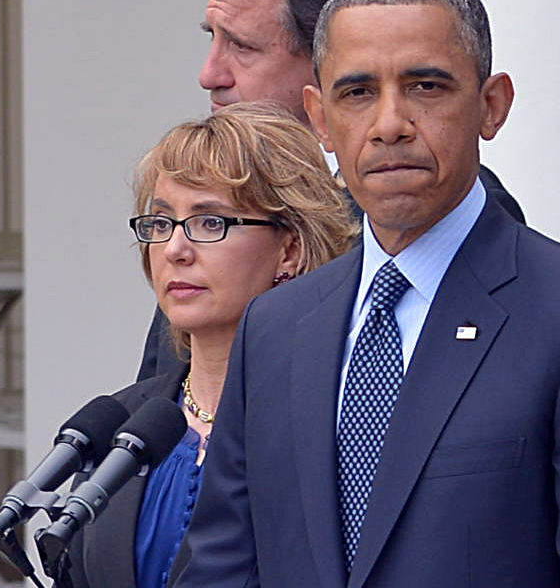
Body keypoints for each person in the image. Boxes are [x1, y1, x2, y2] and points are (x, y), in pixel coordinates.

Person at [173, 0, 560, 587]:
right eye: (357, 92)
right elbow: (222, 570)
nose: (390, 123)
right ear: (320, 119)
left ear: (491, 106)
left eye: (425, 87)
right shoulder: (275, 327)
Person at [137, 0, 525, 383]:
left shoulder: (438, 203)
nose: (209, 75)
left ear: (328, 55)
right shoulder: (195, 215)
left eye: (242, 46)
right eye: (212, 39)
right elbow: (164, 401)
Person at [66, 102, 357, 587]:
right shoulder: (122, 420)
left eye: (209, 222)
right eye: (161, 223)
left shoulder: (334, 429)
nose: (175, 249)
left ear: (290, 248)